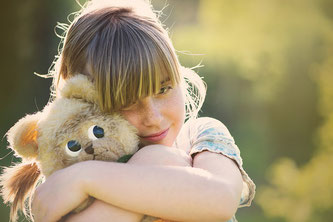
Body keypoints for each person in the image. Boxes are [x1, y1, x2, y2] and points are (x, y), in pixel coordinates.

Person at [31, 0, 255, 221]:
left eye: (163, 89)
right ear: (82, 98)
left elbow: (221, 198)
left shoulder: (199, 138)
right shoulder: (65, 183)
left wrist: (86, 178)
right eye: (127, 102)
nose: (154, 118)